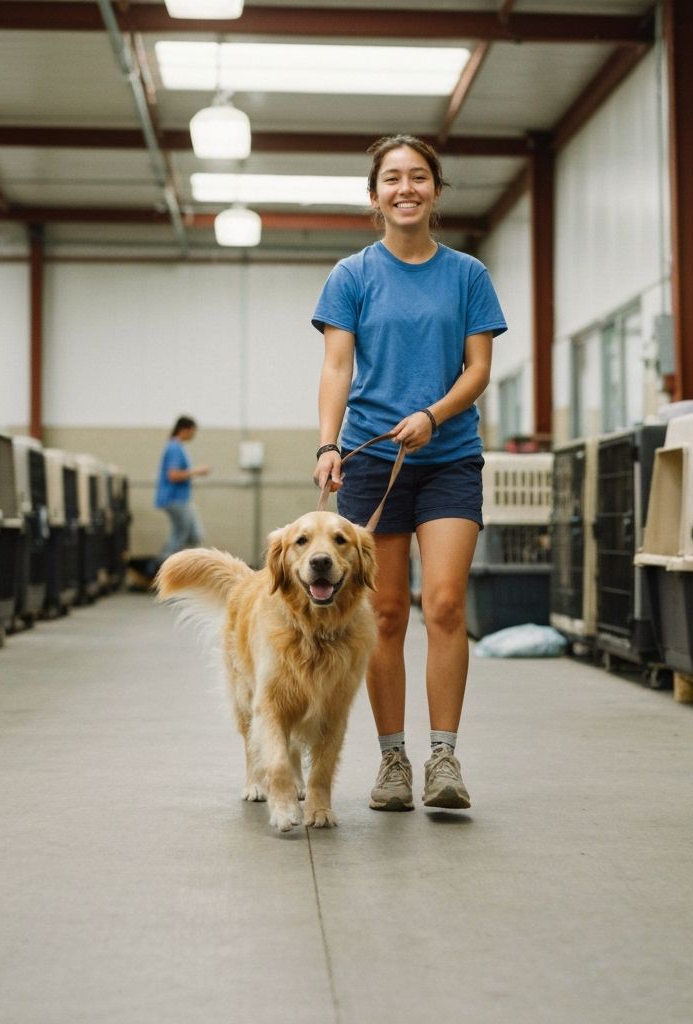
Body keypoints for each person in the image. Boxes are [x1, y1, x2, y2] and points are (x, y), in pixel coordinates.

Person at [311, 134, 507, 812]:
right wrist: (328, 445)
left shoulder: (468, 275)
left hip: (449, 456)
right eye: (392, 178)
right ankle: (392, 759)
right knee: (386, 613)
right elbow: (337, 365)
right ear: (374, 196)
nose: (406, 188)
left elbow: (478, 369)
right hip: (372, 461)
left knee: (445, 604)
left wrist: (433, 414)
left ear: (436, 191)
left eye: (418, 177)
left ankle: (443, 758)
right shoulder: (352, 275)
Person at [150, 415, 210, 575]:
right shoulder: (174, 448)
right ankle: (160, 567)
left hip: (180, 499)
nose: (193, 435)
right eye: (193, 432)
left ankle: (181, 568)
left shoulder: (176, 447)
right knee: (179, 535)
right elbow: (173, 475)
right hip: (175, 499)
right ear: (185, 430)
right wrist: (196, 471)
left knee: (194, 534)